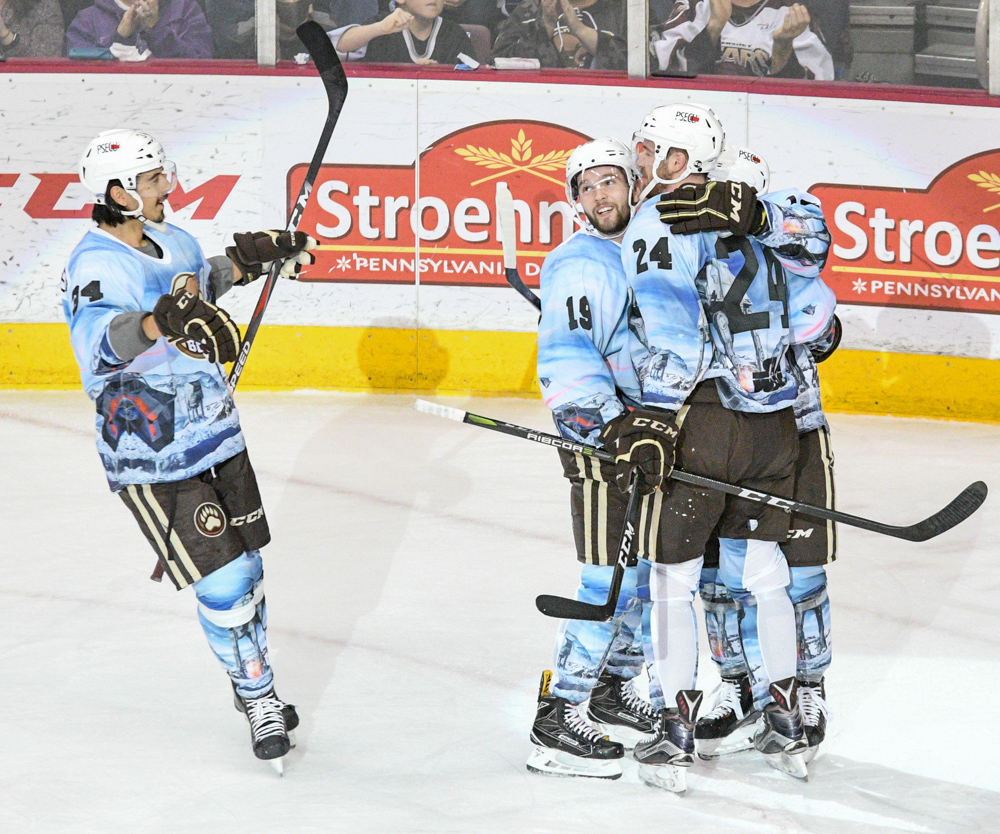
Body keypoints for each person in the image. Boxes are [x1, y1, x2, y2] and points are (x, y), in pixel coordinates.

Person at [63, 129, 315, 770]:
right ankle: (259, 694)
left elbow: (200, 284)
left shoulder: (173, 239)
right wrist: (158, 322)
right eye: (152, 181)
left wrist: (256, 259)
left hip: (215, 429)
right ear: (117, 193)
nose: (167, 188)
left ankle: (246, 673)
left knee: (249, 568)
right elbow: (100, 342)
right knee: (226, 580)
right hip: (150, 451)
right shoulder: (94, 265)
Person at [604, 103, 833, 791]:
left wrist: (650, 416)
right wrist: (759, 218)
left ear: (680, 159)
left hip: (704, 424)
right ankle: (789, 714)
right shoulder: (769, 210)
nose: (642, 165)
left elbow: (677, 339)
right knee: (765, 571)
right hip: (775, 424)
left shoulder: (657, 219)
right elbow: (815, 260)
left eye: (651, 152)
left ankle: (675, 728)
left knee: (671, 580)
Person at [683, 148, 838, 763]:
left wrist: (753, 216)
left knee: (799, 569)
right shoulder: (691, 245)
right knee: (716, 575)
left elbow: (814, 242)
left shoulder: (787, 222)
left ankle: (808, 686)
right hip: (716, 433)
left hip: (792, 429)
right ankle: (739, 685)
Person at [528, 138, 658, 780]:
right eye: (588, 188)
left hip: (647, 437)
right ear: (576, 202)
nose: (601, 196)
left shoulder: (641, 247)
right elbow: (567, 359)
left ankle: (610, 688)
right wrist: (609, 431)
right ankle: (559, 716)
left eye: (610, 181)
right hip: (606, 443)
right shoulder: (581, 264)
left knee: (640, 576)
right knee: (608, 576)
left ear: (633, 183)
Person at [651, 0, 834, 80]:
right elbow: (666, 75)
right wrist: (713, 28)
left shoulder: (792, 12)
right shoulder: (695, 6)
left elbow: (815, 96)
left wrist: (783, 48)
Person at [491, 0, 626, 70]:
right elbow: (497, 64)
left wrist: (582, 31)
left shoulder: (627, 10)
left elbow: (641, 68)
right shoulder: (529, 10)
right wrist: (545, 30)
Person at [331, 0, 473, 64]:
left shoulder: (455, 34)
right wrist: (378, 28)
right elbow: (338, 46)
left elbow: (472, 76)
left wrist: (438, 75)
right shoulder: (382, 24)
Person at [66, 0, 213, 60]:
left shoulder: (185, 9)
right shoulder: (87, 20)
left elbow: (204, 67)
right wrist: (120, 37)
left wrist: (158, 31)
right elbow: (78, 79)